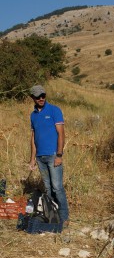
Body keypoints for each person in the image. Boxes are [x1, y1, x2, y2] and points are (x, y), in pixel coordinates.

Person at [29, 85, 69, 225]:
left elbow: (61, 134)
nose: (41, 98)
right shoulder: (33, 115)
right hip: (40, 158)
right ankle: (53, 216)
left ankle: (64, 218)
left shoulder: (54, 110)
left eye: (43, 95)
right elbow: (33, 138)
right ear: (32, 98)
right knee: (48, 188)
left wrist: (59, 154)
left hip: (53, 155)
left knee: (57, 188)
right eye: (38, 96)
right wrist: (32, 159)